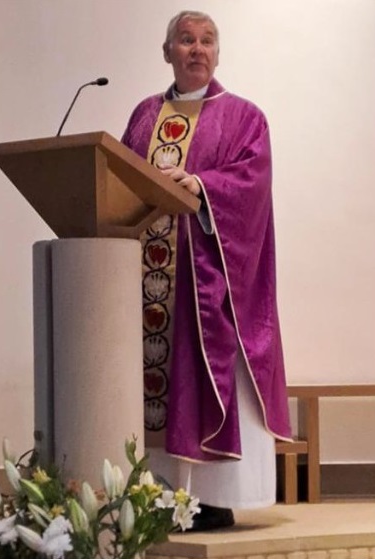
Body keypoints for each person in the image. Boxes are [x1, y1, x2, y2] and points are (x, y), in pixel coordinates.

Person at [121, 10, 291, 530]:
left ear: (218, 53)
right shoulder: (145, 116)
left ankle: (211, 498)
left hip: (205, 285)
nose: (197, 49)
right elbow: (121, 179)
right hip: (148, 288)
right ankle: (156, 495)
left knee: (204, 378)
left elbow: (252, 185)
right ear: (167, 50)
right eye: (187, 40)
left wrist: (200, 186)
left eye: (207, 41)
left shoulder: (244, 117)